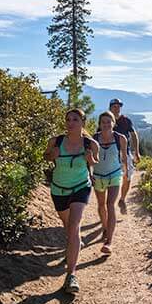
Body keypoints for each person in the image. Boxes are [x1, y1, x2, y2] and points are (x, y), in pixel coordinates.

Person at [43, 108, 99, 293]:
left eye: (75, 119)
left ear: (83, 122)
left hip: (81, 187)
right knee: (68, 227)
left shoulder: (90, 144)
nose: (70, 122)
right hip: (59, 189)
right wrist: (53, 155)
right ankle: (74, 244)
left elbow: (94, 162)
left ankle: (71, 275)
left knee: (74, 226)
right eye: (68, 119)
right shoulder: (56, 141)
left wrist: (91, 160)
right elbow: (46, 156)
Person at [92, 111, 128, 255]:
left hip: (114, 175)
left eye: (109, 122)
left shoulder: (121, 139)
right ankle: (105, 227)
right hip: (98, 176)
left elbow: (124, 158)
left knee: (109, 204)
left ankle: (109, 242)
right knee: (101, 205)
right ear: (99, 124)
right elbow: (89, 158)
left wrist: (125, 173)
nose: (106, 125)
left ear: (113, 123)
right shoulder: (94, 139)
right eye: (103, 122)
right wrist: (89, 174)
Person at [109, 98, 140, 214]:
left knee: (127, 178)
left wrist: (136, 152)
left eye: (118, 106)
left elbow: (134, 135)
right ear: (110, 107)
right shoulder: (107, 120)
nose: (117, 108)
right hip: (111, 154)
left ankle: (122, 199)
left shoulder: (126, 120)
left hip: (125, 154)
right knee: (112, 179)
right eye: (114, 106)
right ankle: (110, 203)